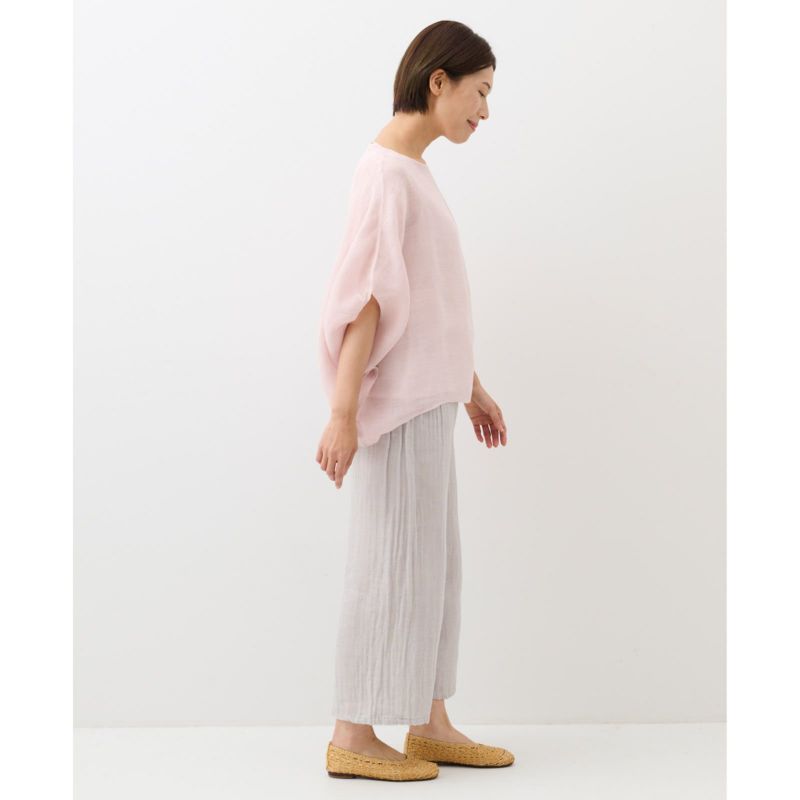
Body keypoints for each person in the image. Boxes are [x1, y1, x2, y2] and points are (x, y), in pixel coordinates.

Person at [316, 20, 513, 781]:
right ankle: (353, 735)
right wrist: (342, 414)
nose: (485, 111)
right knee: (390, 564)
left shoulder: (413, 172)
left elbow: (428, 301)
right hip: (397, 409)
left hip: (431, 401)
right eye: (480, 92)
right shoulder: (387, 173)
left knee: (433, 568)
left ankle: (429, 723)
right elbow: (366, 301)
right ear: (439, 81)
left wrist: (472, 387)